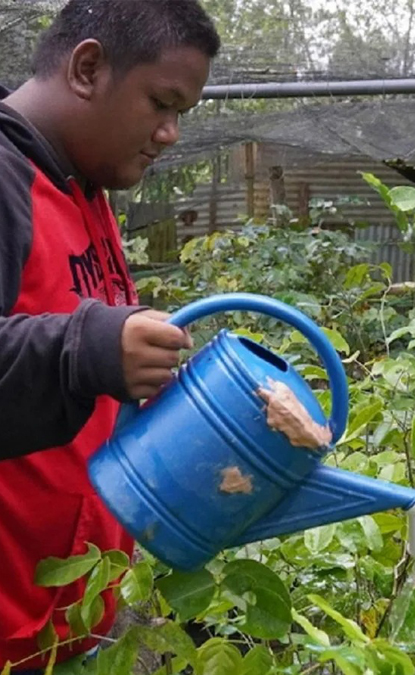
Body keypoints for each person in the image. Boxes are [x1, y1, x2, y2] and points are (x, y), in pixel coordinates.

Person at [0, 1, 220, 671]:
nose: (171, 133)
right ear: (89, 67)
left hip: (67, 628)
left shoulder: (83, 190)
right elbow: (77, 346)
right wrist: (90, 346)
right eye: (162, 102)